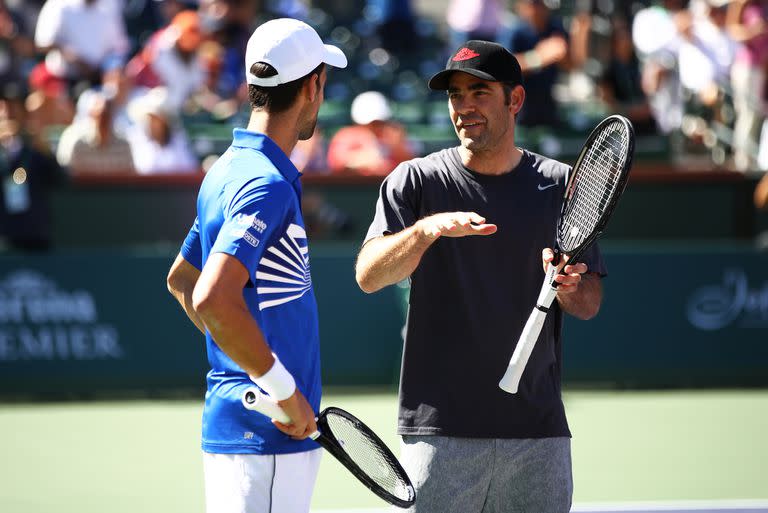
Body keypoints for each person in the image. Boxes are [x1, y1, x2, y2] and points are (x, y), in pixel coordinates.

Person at [355, 40, 606, 513]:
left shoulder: (561, 185)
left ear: (515, 100)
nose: (464, 106)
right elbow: (369, 276)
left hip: (538, 433)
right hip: (440, 431)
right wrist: (427, 230)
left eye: (479, 92)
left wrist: (571, 286)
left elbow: (590, 302)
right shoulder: (414, 182)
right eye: (455, 95)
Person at [165, 18, 347, 513]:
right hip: (267, 441)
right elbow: (209, 296)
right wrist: (280, 391)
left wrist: (243, 367)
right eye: (323, 82)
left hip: (249, 434)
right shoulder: (266, 183)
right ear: (313, 86)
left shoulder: (225, 169)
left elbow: (182, 279)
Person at [326, 90, 415, 176]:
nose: (374, 127)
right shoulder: (346, 136)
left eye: (379, 123)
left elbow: (410, 166)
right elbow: (336, 163)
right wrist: (362, 160)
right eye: (370, 124)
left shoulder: (393, 137)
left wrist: (397, 147)